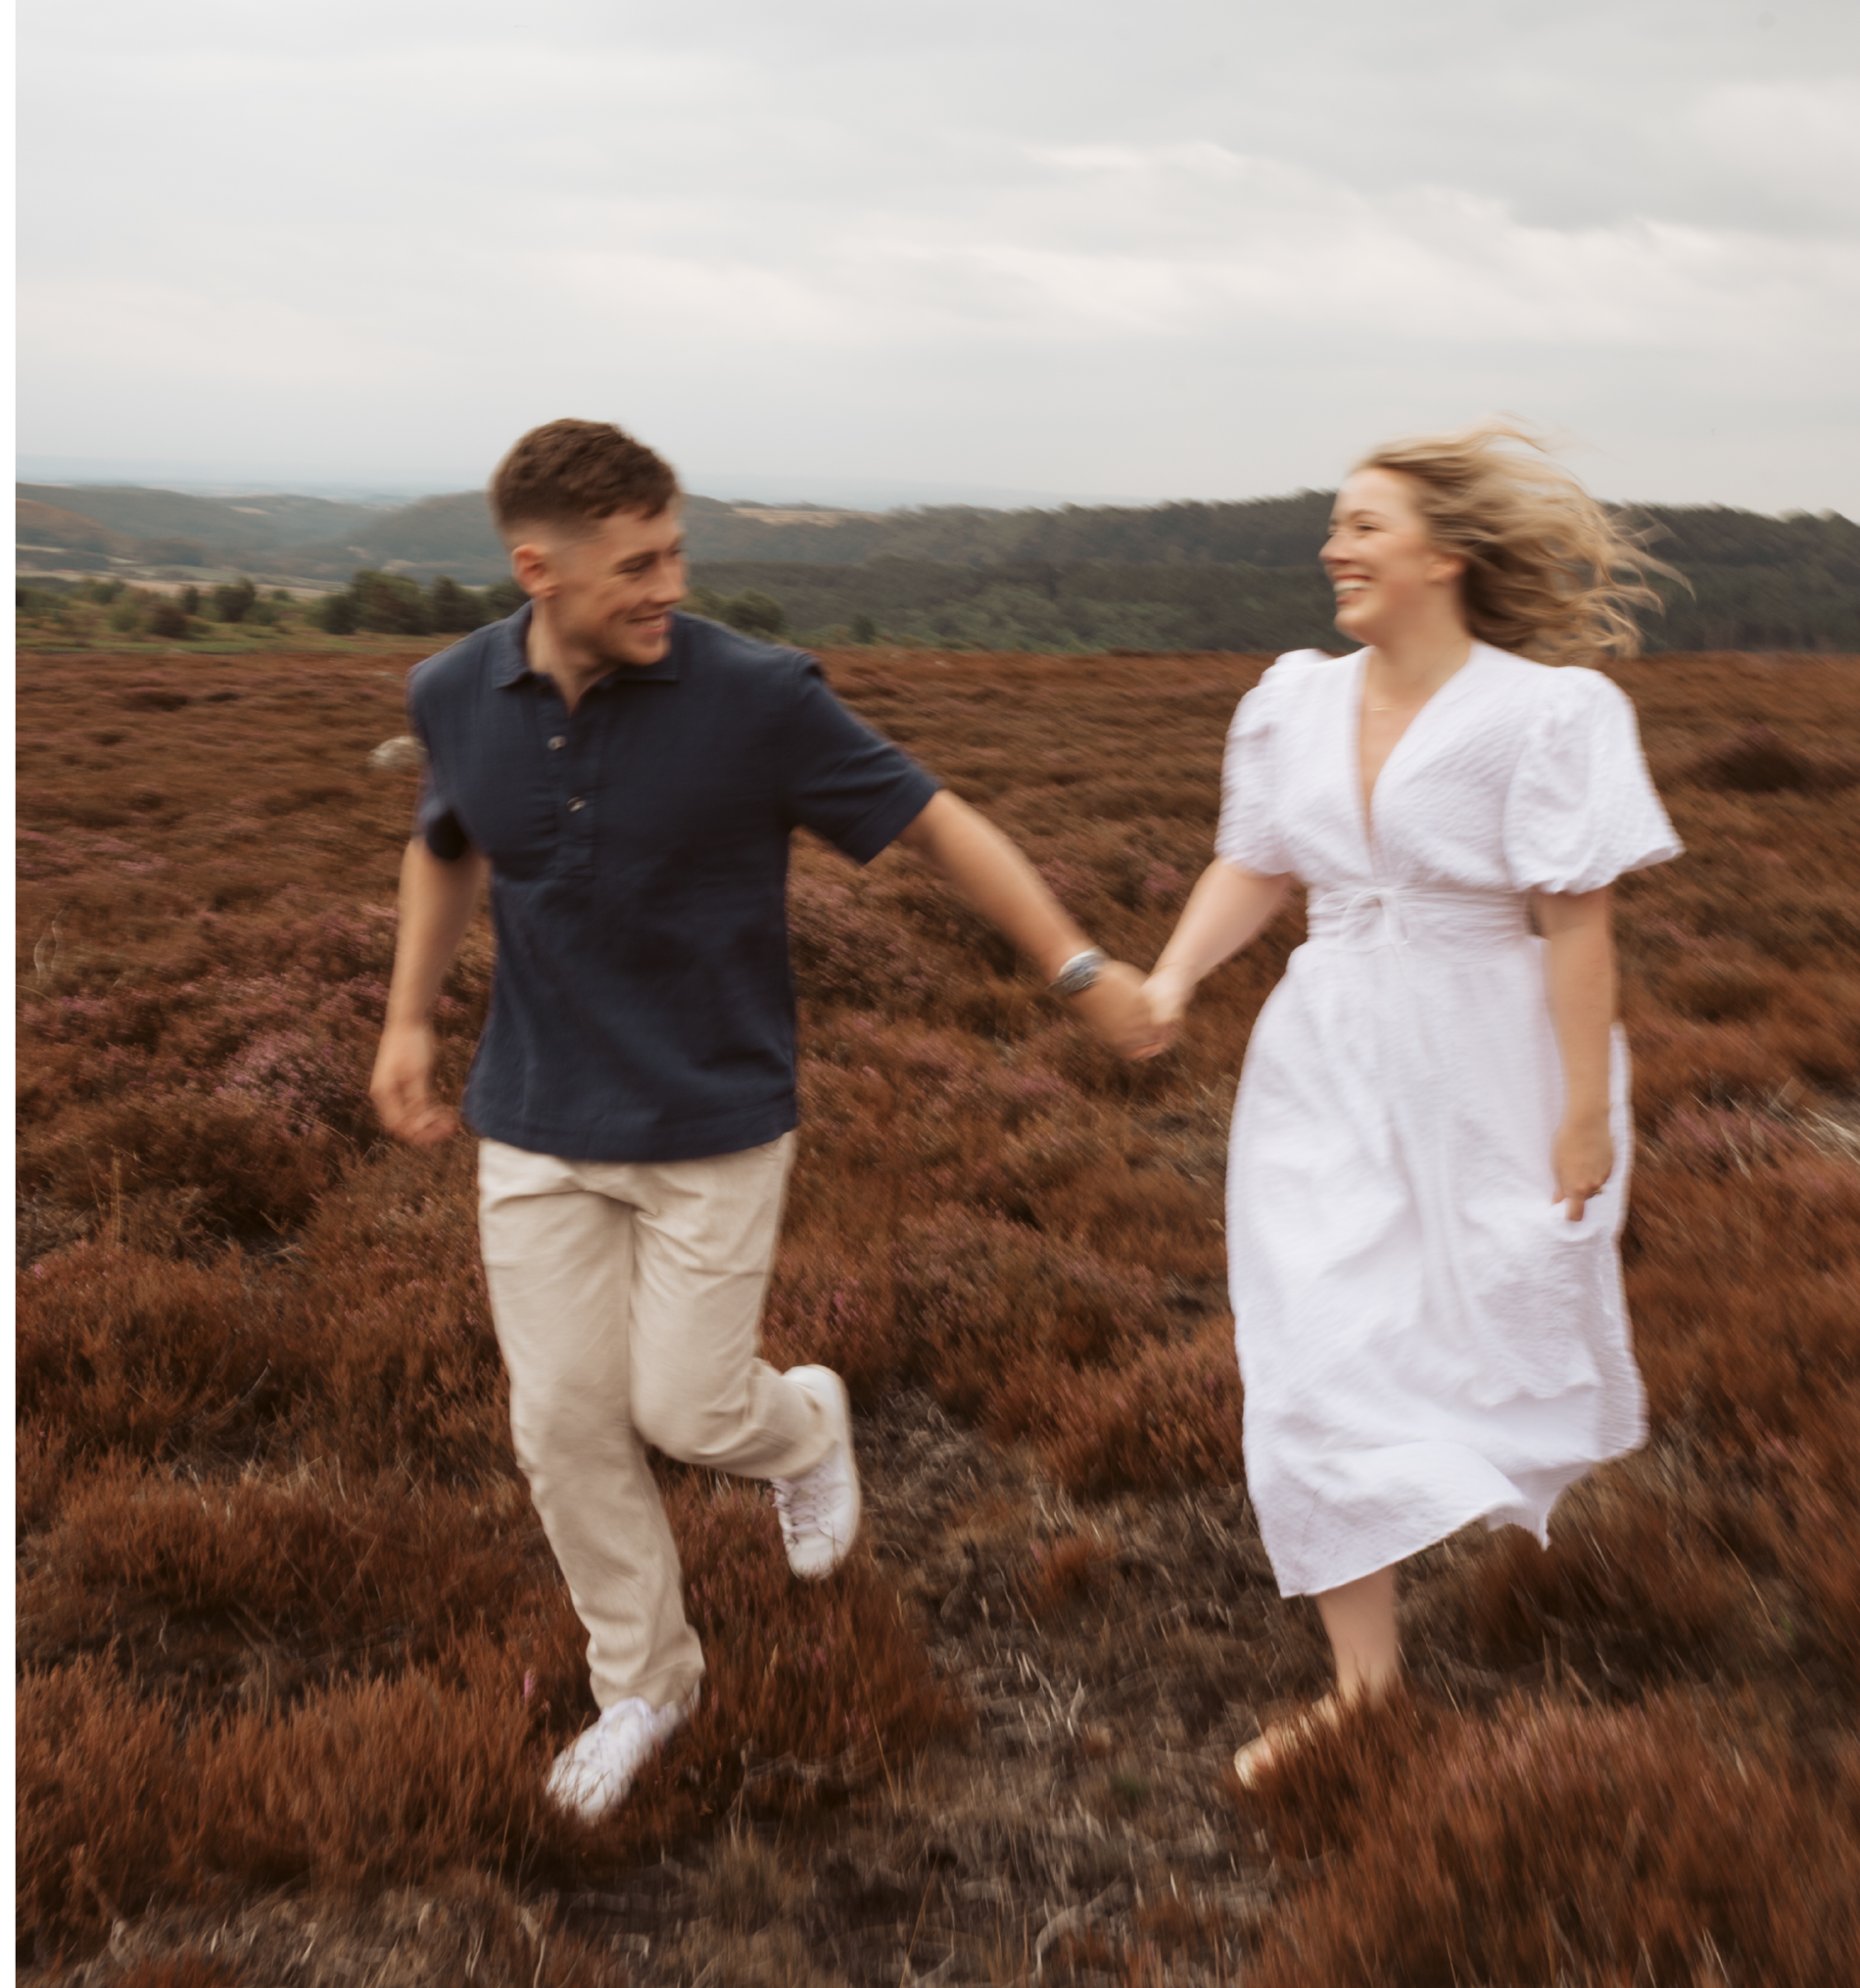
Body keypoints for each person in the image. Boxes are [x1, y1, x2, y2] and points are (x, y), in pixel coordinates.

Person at [370, 418, 1152, 1822]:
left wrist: (1076, 967)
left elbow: (937, 821)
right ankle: (646, 1685)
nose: (669, 583)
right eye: (635, 564)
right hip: (537, 1116)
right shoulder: (453, 691)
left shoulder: (759, 696)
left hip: (713, 1118)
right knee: (560, 1424)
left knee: (682, 1405)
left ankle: (802, 1429)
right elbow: (447, 842)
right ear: (535, 568)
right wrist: (409, 1018)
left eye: (676, 551)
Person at [1135, 424, 1682, 1782]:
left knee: (1479, 1317)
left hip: (1486, 1056)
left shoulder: (1545, 713)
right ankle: (1363, 1688)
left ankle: (1482, 1506)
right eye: (1335, 523)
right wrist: (1172, 978)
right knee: (1310, 1345)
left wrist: (1583, 1112)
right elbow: (1254, 861)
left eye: (1364, 524)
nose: (1336, 546)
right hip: (1325, 1056)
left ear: (1444, 553)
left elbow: (1575, 926)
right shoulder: (1294, 700)